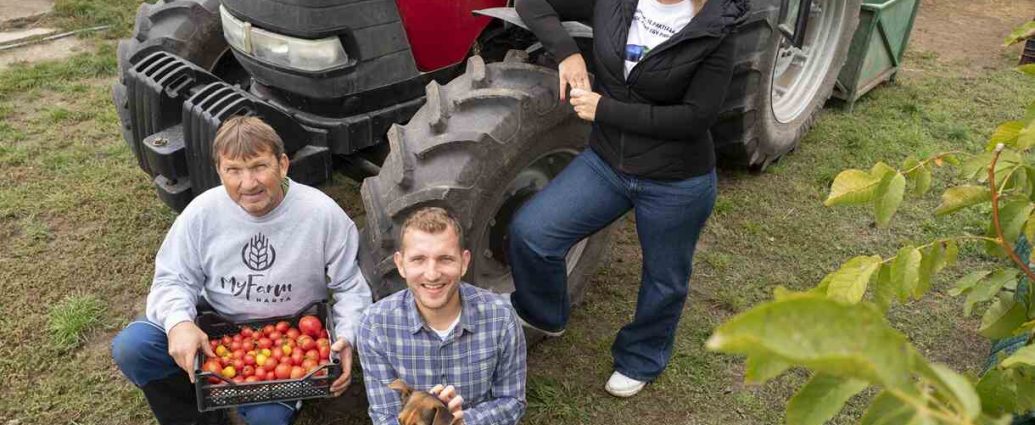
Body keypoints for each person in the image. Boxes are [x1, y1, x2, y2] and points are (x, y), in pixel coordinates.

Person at [510, 0, 748, 398]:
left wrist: (605, 110)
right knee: (531, 233)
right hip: (607, 163)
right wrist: (567, 51)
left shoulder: (716, 27)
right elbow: (531, 2)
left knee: (664, 279)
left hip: (676, 180)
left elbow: (695, 117)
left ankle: (642, 357)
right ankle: (544, 315)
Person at [110, 116, 372, 425]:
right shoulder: (202, 213)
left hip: (288, 338)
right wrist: (179, 323)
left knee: (268, 419)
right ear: (219, 170)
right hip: (214, 330)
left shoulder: (322, 214)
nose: (248, 184)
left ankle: (272, 404)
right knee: (134, 348)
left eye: (260, 166)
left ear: (283, 164)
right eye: (233, 170)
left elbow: (350, 287)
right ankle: (197, 417)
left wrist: (346, 335)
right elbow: (173, 277)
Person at [357, 207, 526, 425]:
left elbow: (512, 401)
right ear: (400, 264)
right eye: (418, 259)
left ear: (464, 262)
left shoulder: (500, 318)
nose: (432, 274)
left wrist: (462, 422)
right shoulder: (375, 326)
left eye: (445, 259)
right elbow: (384, 416)